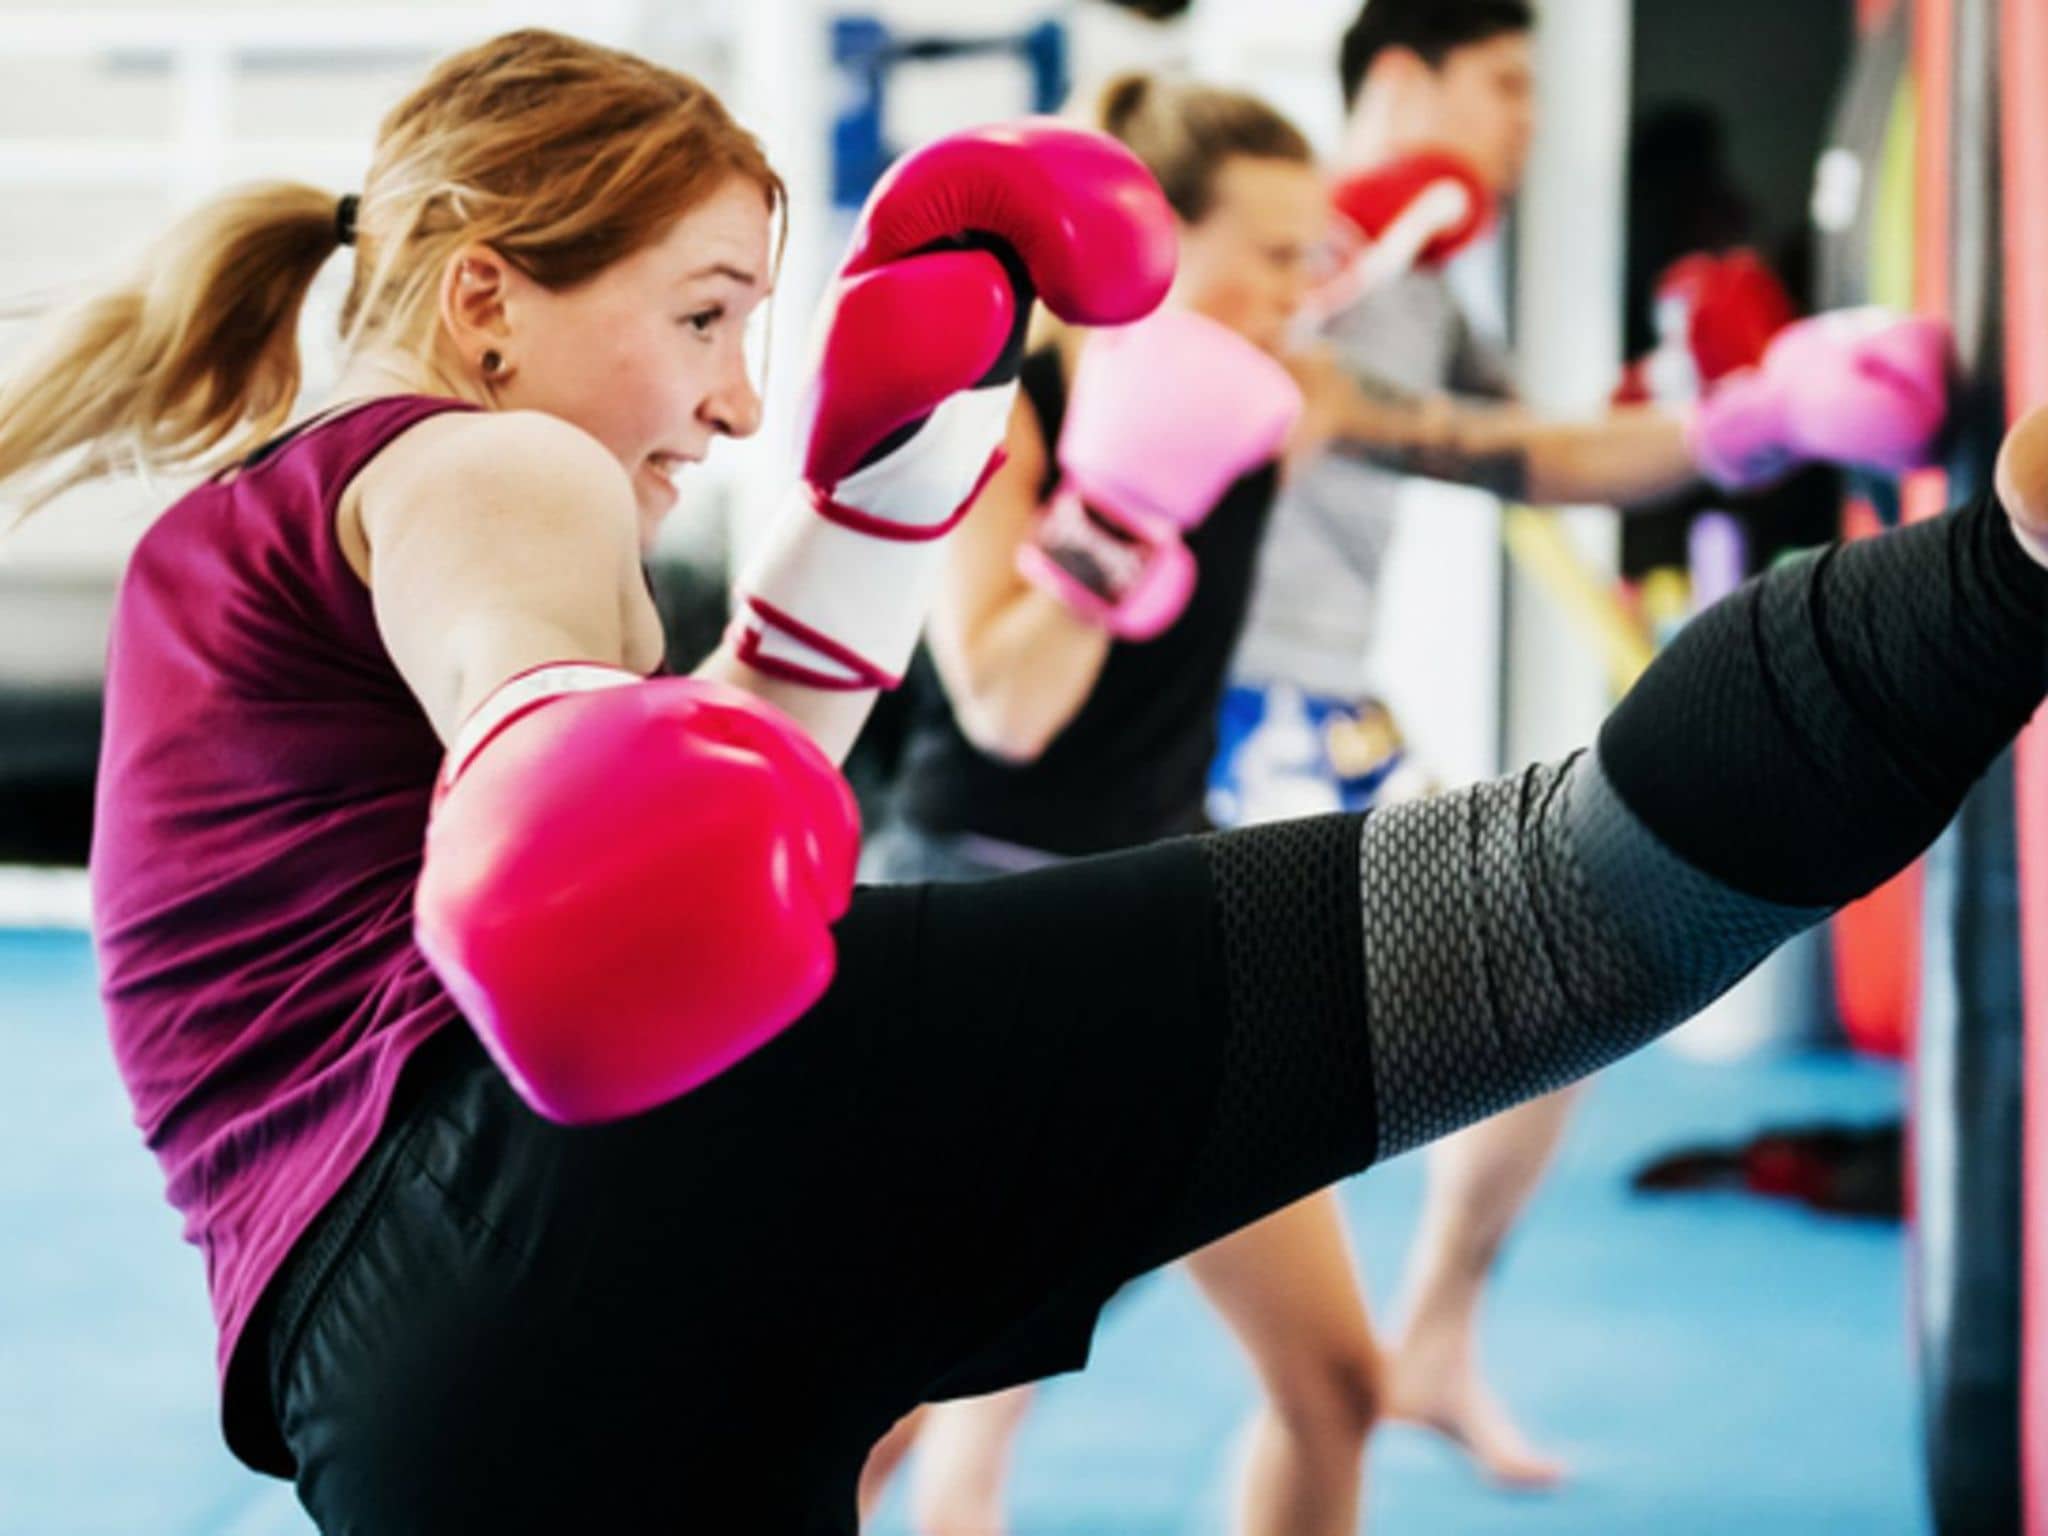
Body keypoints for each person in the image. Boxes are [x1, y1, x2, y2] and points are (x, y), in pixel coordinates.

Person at [0, 26, 2037, 1536]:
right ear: (483, 300)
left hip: (396, 1403)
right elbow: (538, 727)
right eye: (704, 318)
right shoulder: (478, 460)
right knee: (1553, 908)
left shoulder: (231, 540)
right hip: (558, 1178)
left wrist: (882, 502)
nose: (726, 397)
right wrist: (566, 719)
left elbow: (647, 880)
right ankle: (2017, 560)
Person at [1215, 0, 1937, 1482]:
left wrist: (1739, 413)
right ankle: (952, 1468)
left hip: (1327, 718)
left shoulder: (1426, 279)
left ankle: (1430, 1337)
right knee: (1115, 1147)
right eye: (1501, 86)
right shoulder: (1259, 242)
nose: (1529, 123)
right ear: (1403, 81)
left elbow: (1535, 450)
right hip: (1190, 731)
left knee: (1554, 993)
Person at [857, 75, 1388, 1536]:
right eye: (1272, 253)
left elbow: (1516, 448)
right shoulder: (1006, 402)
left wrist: (1739, 432)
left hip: (1170, 901)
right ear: (1161, 243)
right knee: (876, 1407)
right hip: (973, 907)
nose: (1299, 289)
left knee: (1335, 1379)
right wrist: (1126, 497)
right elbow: (1008, 700)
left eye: (1310, 256)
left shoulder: (1282, 399)